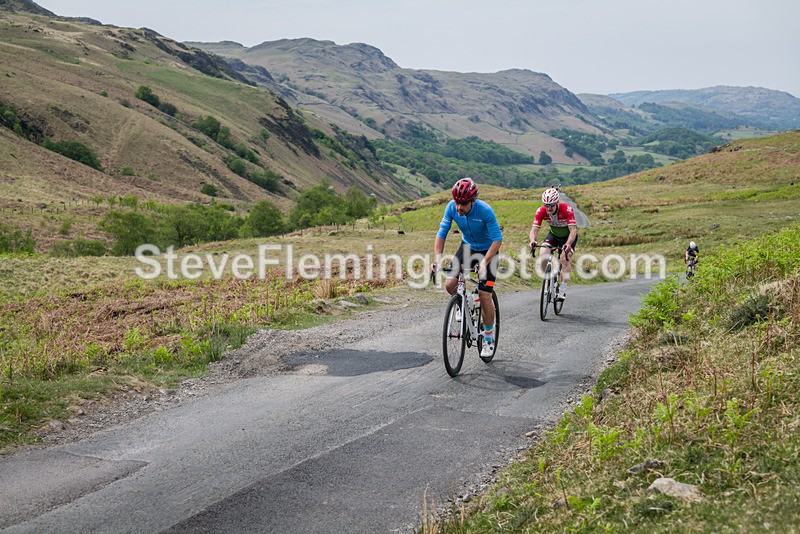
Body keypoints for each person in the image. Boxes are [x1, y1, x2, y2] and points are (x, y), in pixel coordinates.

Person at [432, 178, 503, 357]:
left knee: (485, 294)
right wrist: (438, 259)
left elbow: (497, 239)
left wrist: (485, 262)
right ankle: (462, 303)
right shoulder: (451, 208)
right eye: (456, 202)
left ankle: (488, 338)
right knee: (450, 285)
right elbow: (441, 234)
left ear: (472, 201)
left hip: (488, 250)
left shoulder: (485, 210)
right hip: (467, 247)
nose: (458, 207)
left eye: (463, 203)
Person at [528, 187, 578, 301]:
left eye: (551, 205)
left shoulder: (567, 209)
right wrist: (533, 240)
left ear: (557, 203)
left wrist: (568, 243)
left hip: (568, 238)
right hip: (554, 235)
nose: (549, 208)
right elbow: (534, 230)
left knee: (564, 259)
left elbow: (573, 230)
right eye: (546, 205)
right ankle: (548, 280)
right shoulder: (541, 211)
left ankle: (563, 290)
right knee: (543, 254)